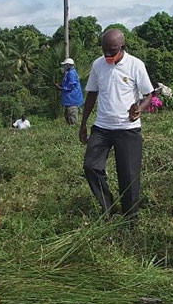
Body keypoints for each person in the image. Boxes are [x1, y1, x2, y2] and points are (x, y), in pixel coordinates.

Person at [80, 28, 154, 218]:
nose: (107, 55)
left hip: (128, 129)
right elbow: (92, 94)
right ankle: (109, 209)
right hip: (102, 127)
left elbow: (149, 95)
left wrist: (140, 109)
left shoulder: (136, 65)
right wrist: (83, 124)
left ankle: (130, 220)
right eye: (104, 50)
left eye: (111, 51)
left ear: (122, 47)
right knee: (91, 166)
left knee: (128, 177)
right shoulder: (98, 65)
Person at [57, 58, 84, 126]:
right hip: (69, 100)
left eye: (65, 65)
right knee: (67, 115)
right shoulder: (69, 73)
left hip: (72, 99)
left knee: (72, 116)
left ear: (68, 65)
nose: (64, 67)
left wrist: (61, 88)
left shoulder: (72, 73)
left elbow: (71, 86)